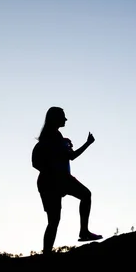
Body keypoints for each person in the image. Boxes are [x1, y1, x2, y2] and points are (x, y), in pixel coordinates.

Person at [32, 106, 102, 254]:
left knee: (54, 221)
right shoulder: (55, 139)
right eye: (63, 116)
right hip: (57, 179)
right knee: (84, 196)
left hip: (50, 181)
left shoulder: (52, 138)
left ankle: (47, 252)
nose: (65, 119)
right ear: (55, 118)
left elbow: (37, 162)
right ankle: (83, 232)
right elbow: (71, 156)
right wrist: (87, 143)